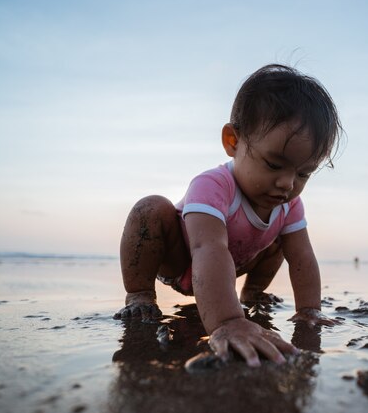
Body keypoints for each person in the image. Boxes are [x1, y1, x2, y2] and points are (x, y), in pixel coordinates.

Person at [114, 64, 343, 367]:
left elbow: (302, 257)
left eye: (303, 173)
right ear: (232, 142)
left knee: (282, 238)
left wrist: (309, 311)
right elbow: (207, 248)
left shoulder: (288, 204)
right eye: (274, 165)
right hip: (182, 257)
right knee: (150, 208)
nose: (288, 184)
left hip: (233, 264)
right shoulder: (212, 186)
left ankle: (254, 293)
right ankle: (139, 294)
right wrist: (228, 320)